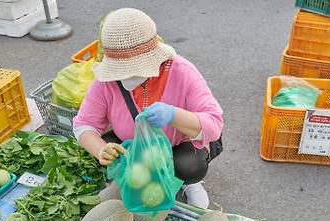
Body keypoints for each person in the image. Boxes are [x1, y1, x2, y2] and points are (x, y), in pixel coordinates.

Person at [72, 8, 224, 208]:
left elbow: (214, 125)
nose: (128, 75)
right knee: (101, 152)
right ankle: (138, 179)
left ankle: (190, 184)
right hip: (134, 145)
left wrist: (173, 115)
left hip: (177, 147)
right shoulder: (106, 82)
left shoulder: (181, 72)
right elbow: (83, 124)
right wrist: (100, 150)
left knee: (190, 166)